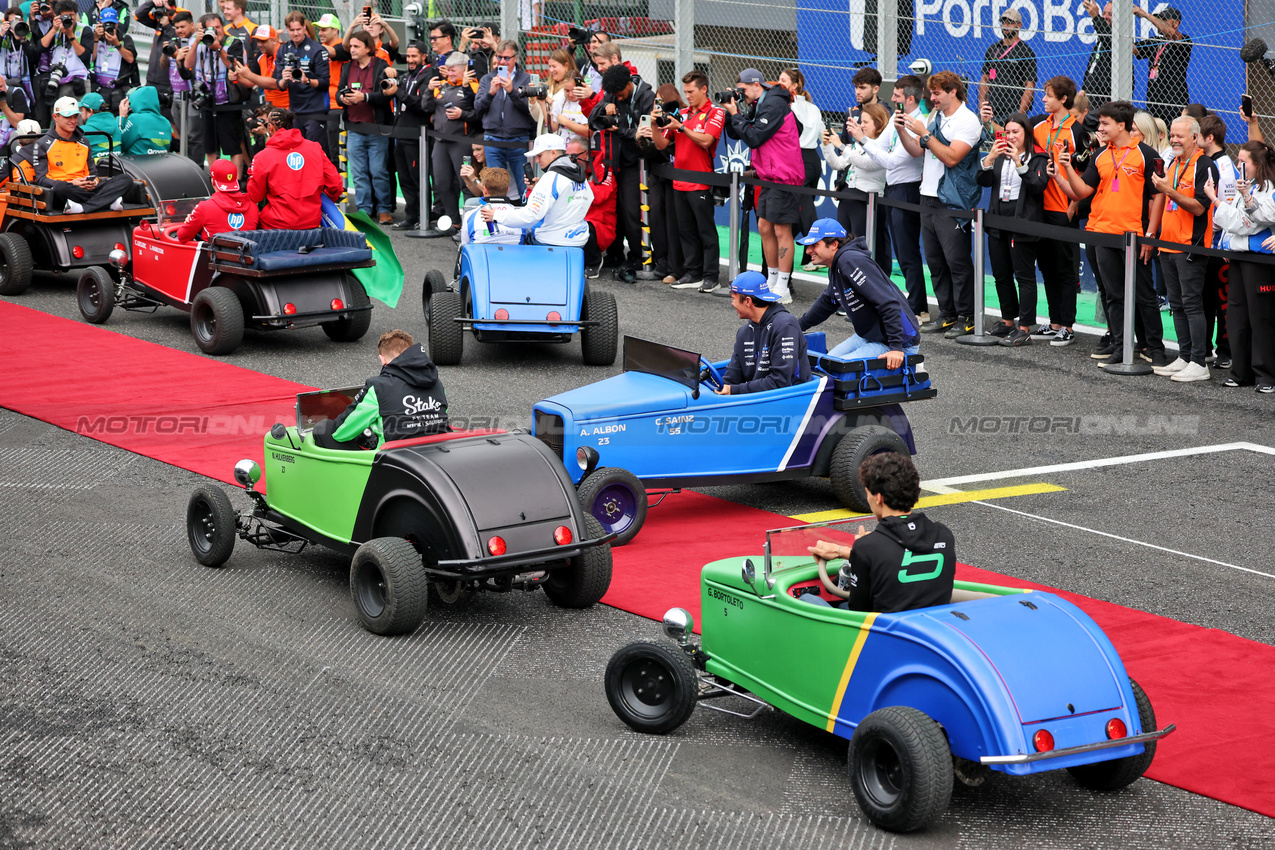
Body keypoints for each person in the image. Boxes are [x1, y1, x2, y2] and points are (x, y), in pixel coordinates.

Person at [1058, 100, 1168, 369]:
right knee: (1112, 295)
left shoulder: (1147, 154)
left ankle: (1154, 347)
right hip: (1102, 235)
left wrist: (1150, 235)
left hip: (1134, 236)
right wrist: (1067, 169)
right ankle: (1121, 346)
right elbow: (1083, 192)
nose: (1100, 128)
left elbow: (1158, 196)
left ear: (1122, 126)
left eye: (1105, 123)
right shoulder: (1100, 156)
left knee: (1144, 294)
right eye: (1100, 123)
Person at [805, 452, 955, 613]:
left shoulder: (868, 547)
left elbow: (858, 610)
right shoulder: (944, 534)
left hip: (884, 632)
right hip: (930, 628)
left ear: (878, 498)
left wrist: (863, 550)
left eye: (867, 492)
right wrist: (849, 552)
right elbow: (900, 557)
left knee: (807, 599)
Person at [899, 70, 983, 338]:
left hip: (953, 200)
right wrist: (902, 130)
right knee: (934, 260)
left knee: (957, 261)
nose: (931, 98)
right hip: (928, 194)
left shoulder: (968, 121)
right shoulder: (936, 117)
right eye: (930, 93)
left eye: (936, 93)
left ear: (952, 92)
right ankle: (947, 313)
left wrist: (924, 134)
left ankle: (967, 316)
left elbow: (951, 157)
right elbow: (917, 151)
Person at [723, 68, 804, 304]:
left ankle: (783, 285)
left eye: (743, 90)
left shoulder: (774, 104)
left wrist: (736, 113)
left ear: (756, 85)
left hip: (785, 174)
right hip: (768, 174)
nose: (742, 95)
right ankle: (771, 279)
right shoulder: (760, 102)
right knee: (765, 227)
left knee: (781, 230)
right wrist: (731, 113)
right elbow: (738, 133)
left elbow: (755, 137)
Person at [1148, 116, 1218, 382]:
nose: (1174, 140)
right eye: (1172, 135)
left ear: (1194, 137)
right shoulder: (1173, 162)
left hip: (1191, 246)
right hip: (1168, 244)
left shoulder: (1204, 164)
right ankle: (1185, 356)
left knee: (1191, 304)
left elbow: (1200, 207)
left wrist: (1169, 190)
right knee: (1176, 304)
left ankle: (1200, 361)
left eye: (1180, 136)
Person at [796, 218, 920, 364]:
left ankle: (910, 373)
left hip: (898, 343)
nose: (808, 250)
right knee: (823, 364)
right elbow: (827, 302)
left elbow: (888, 303)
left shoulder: (850, 260)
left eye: (814, 245)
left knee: (832, 371)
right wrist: (796, 327)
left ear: (834, 244)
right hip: (870, 336)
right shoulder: (836, 266)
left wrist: (896, 348)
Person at [1206, 141, 1275, 394]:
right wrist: (1227, 240)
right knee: (1236, 317)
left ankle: (1266, 375)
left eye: (1243, 162)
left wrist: (1219, 202)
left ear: (1258, 164)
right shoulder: (1248, 186)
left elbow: (1254, 222)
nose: (1238, 166)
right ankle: (1241, 372)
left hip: (1259, 260)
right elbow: (1232, 222)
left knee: (1261, 318)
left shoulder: (1269, 188)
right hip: (1236, 257)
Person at [976, 113, 1049, 347]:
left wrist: (1019, 162)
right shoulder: (999, 155)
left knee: (1024, 276)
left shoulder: (1038, 156)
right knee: (1001, 273)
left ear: (1026, 133)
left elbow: (1038, 186)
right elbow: (983, 181)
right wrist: (989, 160)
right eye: (1007, 132)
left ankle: (1025, 327)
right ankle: (1008, 321)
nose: (1010, 136)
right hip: (998, 219)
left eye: (1015, 132)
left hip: (1022, 221)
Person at [650, 69, 724, 293]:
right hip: (679, 181)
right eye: (685, 92)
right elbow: (661, 145)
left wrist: (682, 127)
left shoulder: (715, 112)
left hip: (700, 180)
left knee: (706, 231)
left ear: (703, 89)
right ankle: (692, 272)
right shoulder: (681, 113)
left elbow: (706, 140)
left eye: (691, 91)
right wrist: (655, 125)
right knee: (685, 230)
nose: (688, 95)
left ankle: (712, 276)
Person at [313, 330, 450, 451]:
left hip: (394, 460)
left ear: (382, 359)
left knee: (323, 429)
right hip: (435, 451)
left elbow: (341, 433)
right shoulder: (437, 384)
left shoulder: (378, 387)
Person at [1029, 75, 1088, 346]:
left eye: (1049, 95)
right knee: (1048, 268)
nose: (1043, 99)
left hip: (1063, 209)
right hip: (1041, 208)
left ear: (1063, 99)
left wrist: (1074, 204)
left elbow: (1088, 174)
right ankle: (1054, 323)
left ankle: (1068, 325)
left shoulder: (1077, 131)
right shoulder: (1040, 126)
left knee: (1065, 270)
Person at [864, 74, 927, 319]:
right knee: (900, 251)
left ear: (910, 99)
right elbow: (879, 146)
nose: (892, 99)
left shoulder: (919, 122)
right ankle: (912, 302)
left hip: (908, 189)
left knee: (908, 250)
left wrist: (862, 140)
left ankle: (918, 306)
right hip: (892, 189)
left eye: (897, 96)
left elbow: (890, 161)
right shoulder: (896, 119)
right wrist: (865, 141)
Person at [588, 62, 654, 282]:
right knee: (611, 208)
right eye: (613, 94)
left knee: (630, 210)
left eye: (620, 93)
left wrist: (624, 131)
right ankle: (614, 253)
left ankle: (638, 255)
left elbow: (642, 135)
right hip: (614, 161)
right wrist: (604, 106)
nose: (619, 97)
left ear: (629, 83)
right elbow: (593, 121)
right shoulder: (611, 94)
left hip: (636, 162)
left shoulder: (646, 97)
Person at [480, 133, 591, 246]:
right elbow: (584, 199)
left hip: (551, 242)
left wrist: (496, 215)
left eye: (540, 155)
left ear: (553, 153)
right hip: (578, 240)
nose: (537, 161)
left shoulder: (551, 178)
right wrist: (539, 188)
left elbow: (530, 216)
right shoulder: (579, 173)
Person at [30, 95, 132, 213]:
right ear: (55, 117)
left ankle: (83, 208)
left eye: (75, 116)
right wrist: (71, 182)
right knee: (60, 188)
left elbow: (93, 173)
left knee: (126, 179)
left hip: (86, 189)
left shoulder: (84, 141)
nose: (73, 121)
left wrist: (94, 182)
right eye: (68, 117)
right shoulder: (42, 144)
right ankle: (107, 202)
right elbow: (42, 180)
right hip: (65, 190)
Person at [246, 106, 342, 230]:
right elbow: (336, 185)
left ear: (270, 127)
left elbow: (255, 196)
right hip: (312, 222)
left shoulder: (262, 157)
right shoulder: (315, 148)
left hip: (276, 225)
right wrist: (319, 202)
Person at [718, 270, 810, 395]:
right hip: (759, 399)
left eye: (733, 298)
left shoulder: (785, 326)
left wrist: (734, 390)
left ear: (748, 301)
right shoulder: (744, 332)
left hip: (789, 401)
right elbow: (731, 377)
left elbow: (780, 382)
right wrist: (719, 389)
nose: (732, 303)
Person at [338, 30, 396, 225]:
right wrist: (343, 98)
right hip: (354, 127)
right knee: (359, 172)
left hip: (376, 129)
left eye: (356, 46)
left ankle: (384, 208)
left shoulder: (381, 66)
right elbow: (338, 92)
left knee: (379, 170)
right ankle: (364, 209)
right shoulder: (347, 67)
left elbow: (386, 94)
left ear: (368, 48)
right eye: (351, 46)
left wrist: (365, 97)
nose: (352, 50)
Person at [417, 50, 477, 236]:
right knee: (442, 183)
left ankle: (470, 223)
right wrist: (428, 89)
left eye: (454, 71)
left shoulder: (473, 87)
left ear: (464, 70)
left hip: (462, 142)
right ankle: (454, 221)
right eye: (448, 70)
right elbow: (426, 108)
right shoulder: (441, 86)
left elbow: (480, 115)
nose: (450, 74)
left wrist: (462, 115)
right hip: (440, 141)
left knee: (465, 182)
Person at [828, 102, 891, 275]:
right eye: (861, 121)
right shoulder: (858, 144)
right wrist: (827, 145)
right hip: (848, 196)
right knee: (842, 242)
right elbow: (838, 164)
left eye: (866, 121)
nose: (861, 125)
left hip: (867, 200)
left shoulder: (881, 146)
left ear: (878, 123)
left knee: (861, 247)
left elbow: (866, 163)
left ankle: (867, 283)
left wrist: (842, 146)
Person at [183, 13, 245, 176]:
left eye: (218, 27)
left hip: (228, 102)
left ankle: (236, 183)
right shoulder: (197, 42)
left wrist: (218, 48)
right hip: (206, 101)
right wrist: (197, 42)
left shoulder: (233, 42)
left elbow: (235, 66)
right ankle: (216, 180)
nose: (216, 31)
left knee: (232, 145)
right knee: (209, 146)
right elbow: (187, 65)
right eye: (211, 28)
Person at [1198, 113, 1237, 370]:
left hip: (1220, 244)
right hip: (1206, 243)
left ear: (1209, 138)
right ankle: (1206, 349)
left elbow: (1228, 207)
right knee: (1205, 299)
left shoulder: (1224, 167)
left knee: (1222, 300)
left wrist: (1219, 239)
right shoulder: (1206, 162)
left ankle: (1226, 350)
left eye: (1197, 135)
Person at [474, 39, 534, 198]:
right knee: (494, 185)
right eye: (499, 57)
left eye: (506, 58)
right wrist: (490, 93)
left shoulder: (526, 79)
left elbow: (530, 109)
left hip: (518, 138)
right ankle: (496, 217)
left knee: (524, 184)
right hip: (493, 138)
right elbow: (478, 108)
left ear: (515, 58)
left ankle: (525, 217)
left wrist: (512, 91)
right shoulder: (487, 79)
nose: (502, 61)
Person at [274, 11, 329, 151]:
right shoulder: (283, 49)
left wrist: (307, 81)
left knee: (314, 153)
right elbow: (279, 85)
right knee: (297, 154)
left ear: (305, 27)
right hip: (294, 112)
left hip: (315, 111)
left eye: (298, 29)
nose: (295, 33)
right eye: (292, 30)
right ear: (287, 29)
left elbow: (324, 82)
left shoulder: (317, 49)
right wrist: (284, 79)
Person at [391, 39, 430, 231]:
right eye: (409, 56)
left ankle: (422, 216)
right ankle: (410, 215)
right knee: (404, 179)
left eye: (415, 56)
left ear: (424, 56)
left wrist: (398, 92)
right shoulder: (407, 75)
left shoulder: (429, 74)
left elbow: (421, 104)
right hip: (401, 133)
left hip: (417, 136)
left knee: (417, 179)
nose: (411, 60)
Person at [979, 7, 1036, 129]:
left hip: (1012, 112)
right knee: (992, 145)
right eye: (1003, 22)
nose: (1005, 26)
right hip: (991, 111)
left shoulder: (1026, 52)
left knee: (1007, 144)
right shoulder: (993, 49)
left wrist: (1019, 115)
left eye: (1010, 22)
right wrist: (982, 106)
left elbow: (1030, 86)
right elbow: (985, 79)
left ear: (1019, 25)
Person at [175, 157, 257, 242]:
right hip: (244, 253)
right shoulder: (253, 206)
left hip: (212, 254)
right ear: (235, 180)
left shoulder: (204, 207)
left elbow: (182, 237)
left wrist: (188, 221)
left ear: (213, 181)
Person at [1134, 5, 1190, 125]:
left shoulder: (1185, 40)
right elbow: (1134, 49)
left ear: (1176, 23)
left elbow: (1171, 33)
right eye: (1159, 19)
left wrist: (1146, 15)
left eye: (1164, 20)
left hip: (1174, 104)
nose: (1159, 23)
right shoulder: (1155, 41)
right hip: (1154, 102)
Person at [88, 5, 134, 113]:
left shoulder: (125, 39)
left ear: (117, 24)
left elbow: (131, 59)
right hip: (99, 88)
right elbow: (91, 59)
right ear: (100, 23)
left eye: (112, 24)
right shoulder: (95, 38)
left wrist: (117, 44)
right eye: (106, 24)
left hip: (118, 89)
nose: (110, 27)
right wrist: (95, 39)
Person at [460, 166, 522, 245]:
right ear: (507, 190)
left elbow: (465, 246)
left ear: (484, 190)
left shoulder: (470, 216)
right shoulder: (520, 215)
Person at [118, 84, 170, 154]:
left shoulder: (135, 119)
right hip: (158, 163)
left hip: (135, 163)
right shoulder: (166, 122)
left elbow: (120, 144)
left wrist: (121, 116)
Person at [1080, 0, 1112, 108]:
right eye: (1104, 13)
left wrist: (1096, 16)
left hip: (1105, 100)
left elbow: (1109, 39)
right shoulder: (1100, 41)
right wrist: (1084, 89)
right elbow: (1091, 68)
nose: (1105, 16)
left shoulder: (1118, 40)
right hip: (1091, 97)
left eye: (1110, 14)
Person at [78, 90, 117, 157]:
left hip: (93, 167)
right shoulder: (117, 127)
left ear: (90, 111)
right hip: (117, 166)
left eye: (82, 110)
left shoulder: (81, 131)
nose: (80, 114)